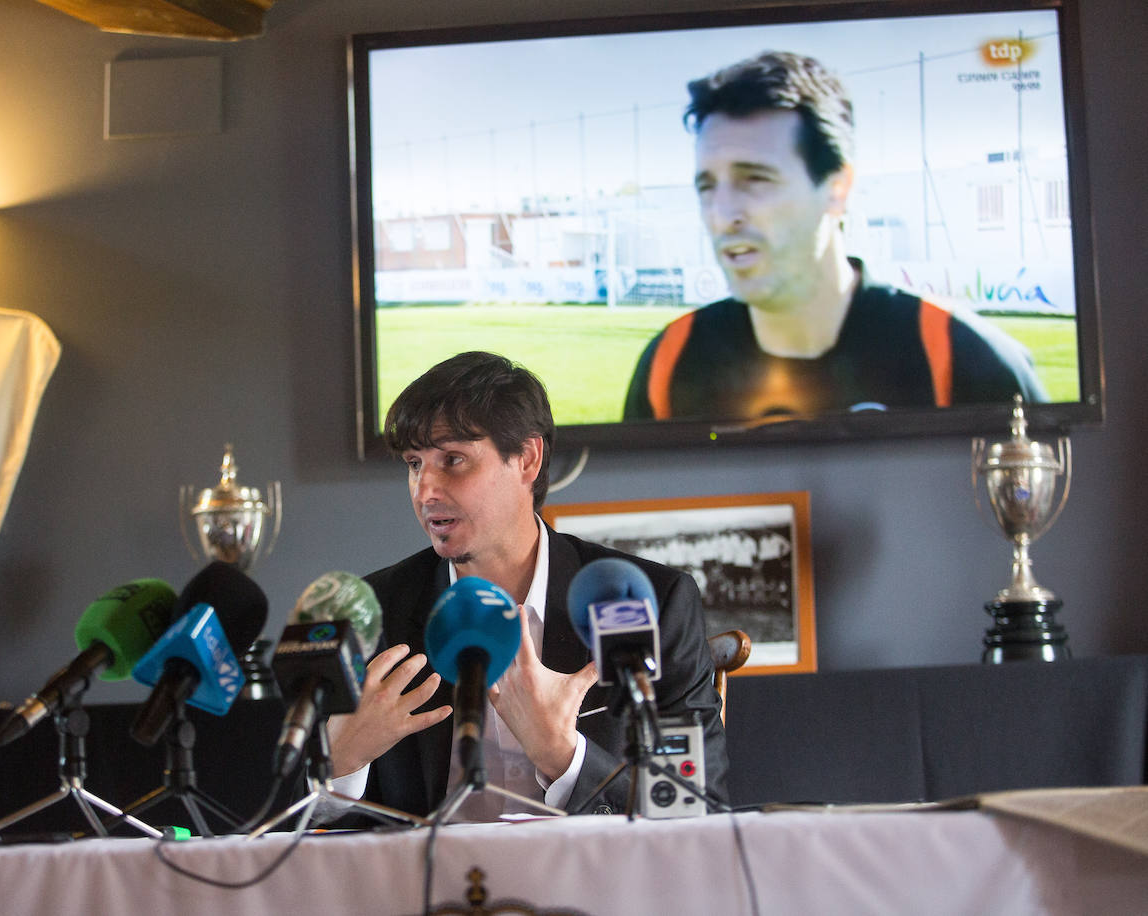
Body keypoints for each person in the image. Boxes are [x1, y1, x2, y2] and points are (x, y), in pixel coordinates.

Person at [323, 350, 727, 820]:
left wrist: (563, 757)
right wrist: (339, 764)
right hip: (427, 868)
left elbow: (698, 809)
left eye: (453, 460)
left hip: (588, 869)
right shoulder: (372, 612)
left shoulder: (651, 603)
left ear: (527, 460)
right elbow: (285, 823)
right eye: (415, 464)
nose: (424, 490)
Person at [624, 51, 1047, 422]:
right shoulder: (670, 361)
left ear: (837, 188)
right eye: (707, 186)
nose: (722, 213)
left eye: (755, 179)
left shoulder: (963, 358)